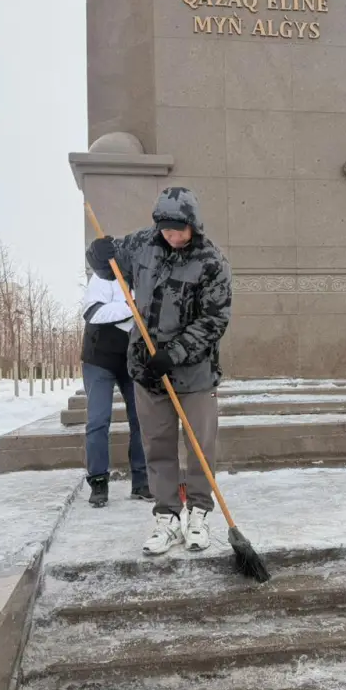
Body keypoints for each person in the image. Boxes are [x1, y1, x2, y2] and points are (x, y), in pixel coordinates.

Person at [89, 186, 232, 556]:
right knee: (158, 446)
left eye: (179, 230)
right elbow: (111, 266)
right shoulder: (143, 243)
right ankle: (167, 515)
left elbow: (215, 318)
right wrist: (98, 256)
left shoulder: (212, 260)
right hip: (148, 371)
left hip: (195, 373)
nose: (172, 236)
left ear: (193, 225)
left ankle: (198, 512)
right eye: (166, 229)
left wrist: (176, 352)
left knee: (200, 446)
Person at [80, 247, 151, 507]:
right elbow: (93, 313)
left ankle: (142, 482)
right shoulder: (104, 277)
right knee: (98, 420)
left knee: (141, 420)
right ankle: (98, 481)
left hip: (133, 359)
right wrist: (131, 308)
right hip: (99, 358)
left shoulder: (145, 279)